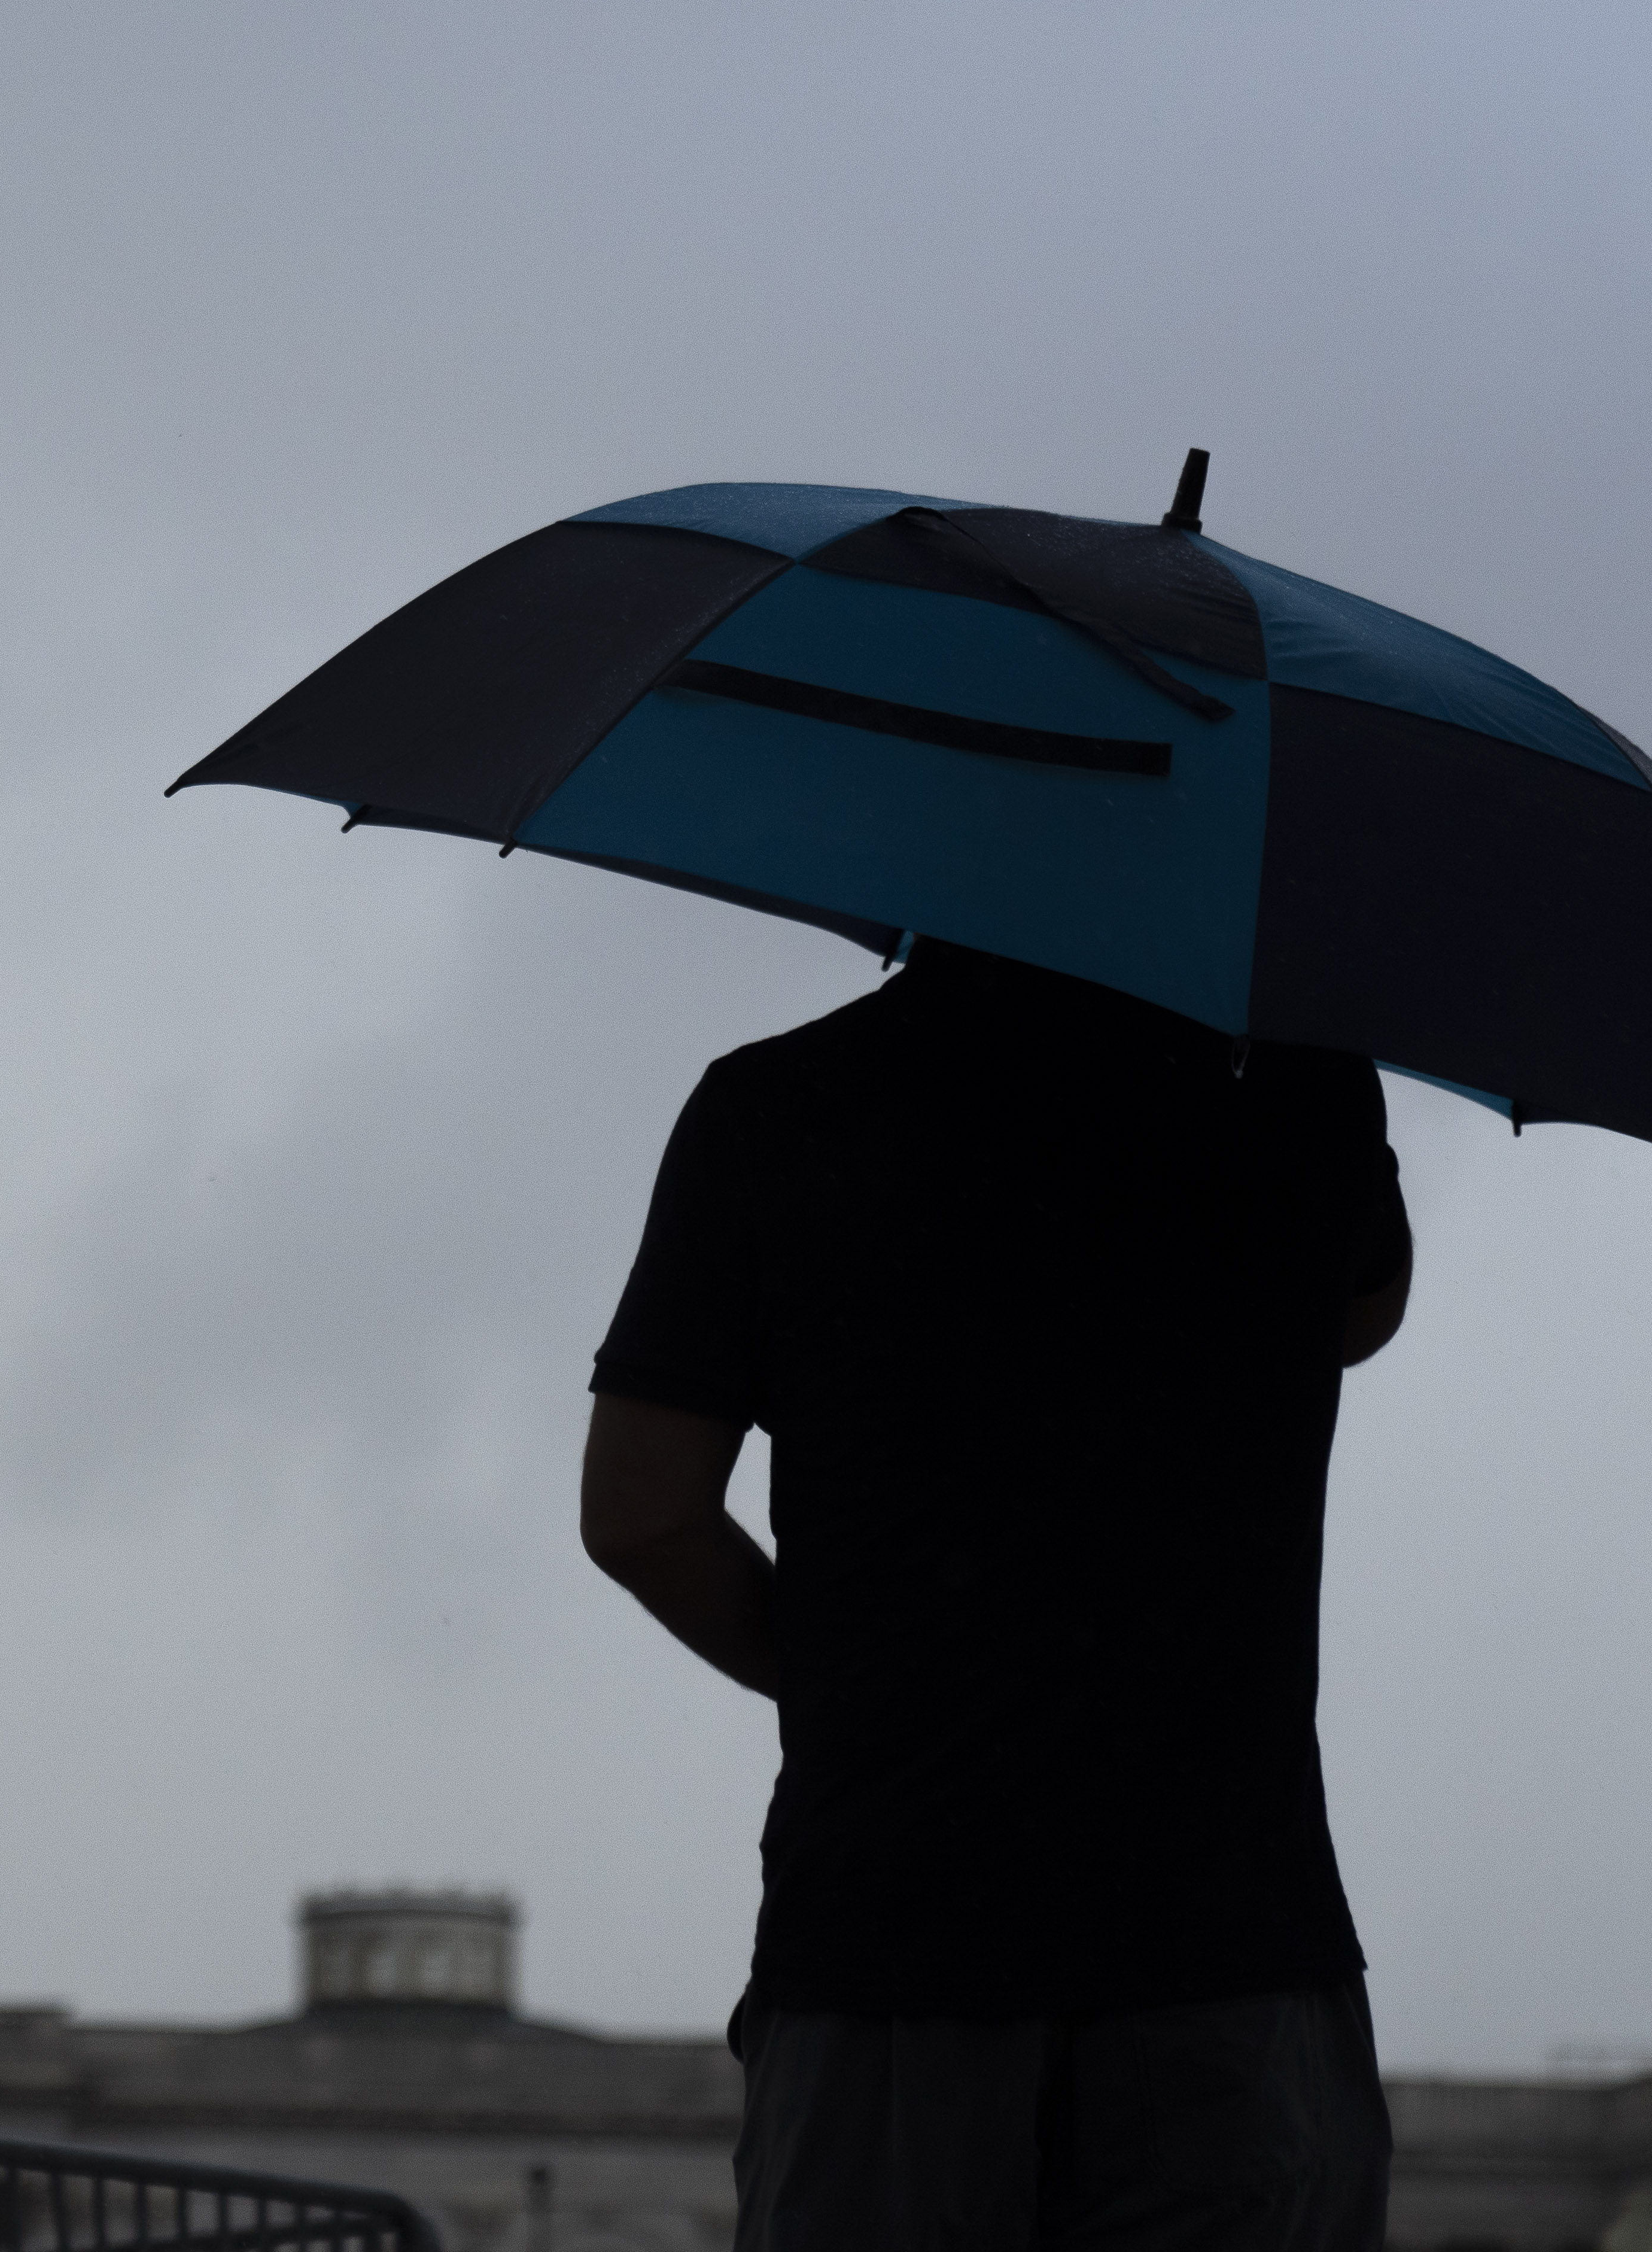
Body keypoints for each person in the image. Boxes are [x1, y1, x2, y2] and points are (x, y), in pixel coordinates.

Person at [583, 939, 1415, 2252]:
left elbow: (641, 1513)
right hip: (1231, 1940)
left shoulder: (775, 1104)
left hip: (890, 1932)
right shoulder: (1297, 1086)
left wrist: (872, 1683)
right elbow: (1360, 1315)